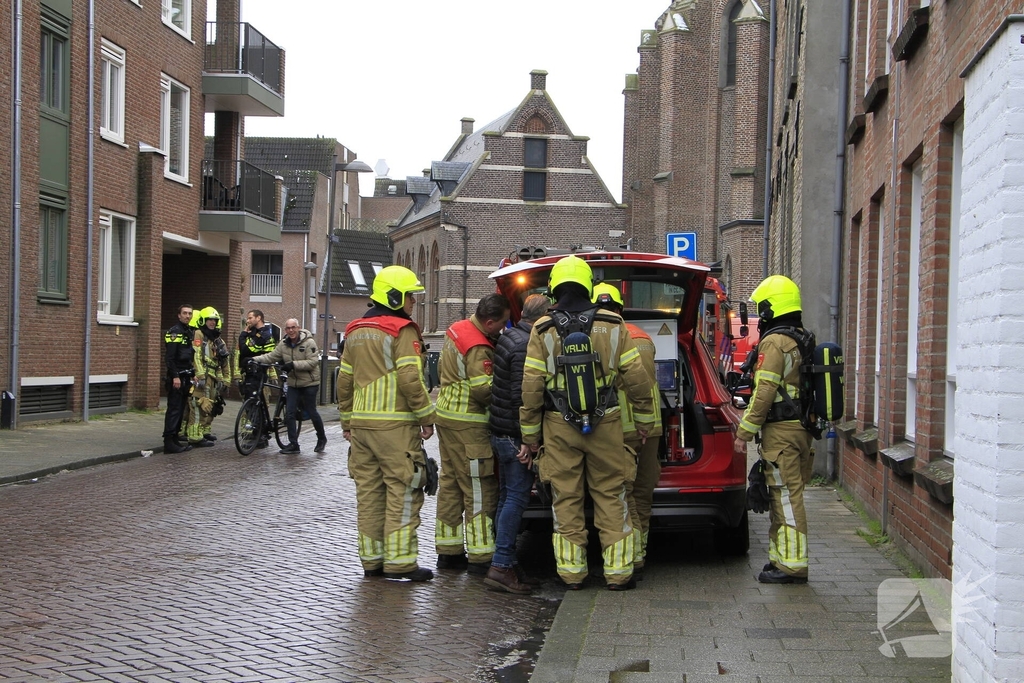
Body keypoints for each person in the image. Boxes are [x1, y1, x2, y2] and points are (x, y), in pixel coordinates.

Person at [521, 255, 655, 591]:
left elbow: (532, 386)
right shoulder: (612, 324)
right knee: (612, 494)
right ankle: (619, 572)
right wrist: (642, 420)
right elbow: (636, 377)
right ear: (588, 286)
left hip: (558, 424)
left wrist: (530, 435)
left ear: (553, 288)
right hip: (606, 422)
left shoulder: (542, 328)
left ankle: (572, 574)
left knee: (565, 497)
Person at [337, 265, 437, 582]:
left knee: (368, 495)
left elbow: (344, 380)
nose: (413, 302)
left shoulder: (354, 330)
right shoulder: (402, 331)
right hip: (395, 428)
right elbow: (410, 379)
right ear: (394, 296)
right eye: (409, 296)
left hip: (362, 428)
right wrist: (426, 416)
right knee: (404, 491)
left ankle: (372, 561)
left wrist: (347, 420)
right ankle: (401, 562)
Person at [732, 275, 814, 584]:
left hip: (781, 433)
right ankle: (781, 559)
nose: (759, 313)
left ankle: (792, 566)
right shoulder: (801, 338)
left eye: (761, 307)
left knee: (786, 497)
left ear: (771, 307)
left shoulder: (775, 342)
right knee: (784, 495)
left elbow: (764, 391)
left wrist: (743, 433)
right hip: (801, 430)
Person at [434, 293, 511, 575]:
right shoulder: (479, 347)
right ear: (489, 322)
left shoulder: (457, 329)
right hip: (470, 423)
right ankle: (481, 556)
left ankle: (449, 551)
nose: (503, 329)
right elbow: (483, 390)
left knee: (451, 484)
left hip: (446, 416)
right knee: (479, 488)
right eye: (501, 324)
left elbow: (443, 370)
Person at [592, 283, 663, 579]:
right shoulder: (642, 337)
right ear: (621, 308)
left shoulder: (596, 337)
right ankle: (639, 553)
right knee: (642, 494)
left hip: (621, 427)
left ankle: (632, 558)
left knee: (623, 493)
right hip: (650, 425)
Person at [484, 293, 550, 595]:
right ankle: (502, 566)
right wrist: (528, 439)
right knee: (516, 500)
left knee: (506, 498)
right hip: (513, 436)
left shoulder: (510, 336)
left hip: (500, 432)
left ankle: (505, 561)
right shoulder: (526, 346)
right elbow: (520, 396)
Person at [250, 318, 327, 454]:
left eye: (293, 327)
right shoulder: (284, 344)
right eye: (288, 328)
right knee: (290, 413)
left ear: (298, 328)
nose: (291, 330)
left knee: (311, 411)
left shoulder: (309, 343)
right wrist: (253, 359)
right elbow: (272, 356)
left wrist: (293, 364)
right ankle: (293, 444)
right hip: (293, 383)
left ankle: (321, 438)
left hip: (309, 383)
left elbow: (313, 362)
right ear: (285, 330)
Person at [185, 307, 231, 447]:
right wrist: (199, 374)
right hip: (202, 377)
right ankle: (194, 436)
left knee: (210, 406)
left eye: (214, 320)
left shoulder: (217, 339)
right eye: (209, 320)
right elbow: (196, 356)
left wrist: (225, 380)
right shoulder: (199, 334)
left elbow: (223, 361)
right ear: (203, 321)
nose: (212, 322)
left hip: (213, 378)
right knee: (198, 404)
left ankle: (204, 432)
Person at [233, 309, 278, 448]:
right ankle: (255, 433)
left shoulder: (266, 334)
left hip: (259, 374)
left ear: (259, 318)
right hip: (248, 373)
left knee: (258, 403)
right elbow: (239, 353)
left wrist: (242, 336)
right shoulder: (250, 333)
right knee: (250, 404)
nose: (248, 320)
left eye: (251, 317)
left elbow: (259, 353)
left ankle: (261, 435)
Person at [162, 304, 195, 454]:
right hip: (177, 376)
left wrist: (192, 373)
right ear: (179, 315)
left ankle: (175, 438)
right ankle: (168, 441)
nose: (187, 316)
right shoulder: (174, 332)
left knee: (181, 408)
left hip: (186, 375)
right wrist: (175, 376)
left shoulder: (188, 331)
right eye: (185, 313)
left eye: (190, 313)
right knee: (174, 409)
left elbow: (189, 356)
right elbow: (170, 358)